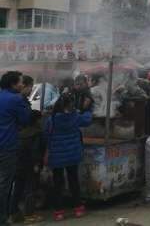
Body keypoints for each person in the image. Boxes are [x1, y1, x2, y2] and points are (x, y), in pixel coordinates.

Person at [44, 93, 92, 221]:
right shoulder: (75, 116)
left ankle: (59, 212)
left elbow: (47, 136)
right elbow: (87, 120)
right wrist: (87, 110)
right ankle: (78, 209)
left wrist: (47, 152)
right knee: (73, 181)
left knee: (58, 183)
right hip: (72, 154)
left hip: (57, 155)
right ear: (71, 104)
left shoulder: (52, 119)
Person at [10, 76, 44, 224]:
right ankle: (29, 213)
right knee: (29, 183)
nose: (30, 90)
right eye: (30, 86)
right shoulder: (19, 102)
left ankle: (13, 212)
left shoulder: (17, 101)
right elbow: (26, 121)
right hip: (27, 155)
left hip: (16, 152)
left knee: (18, 183)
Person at [0, 71, 31, 226]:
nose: (22, 85)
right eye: (20, 82)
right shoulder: (16, 99)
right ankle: (2, 219)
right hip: (7, 146)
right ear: (13, 84)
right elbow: (25, 120)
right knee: (4, 184)